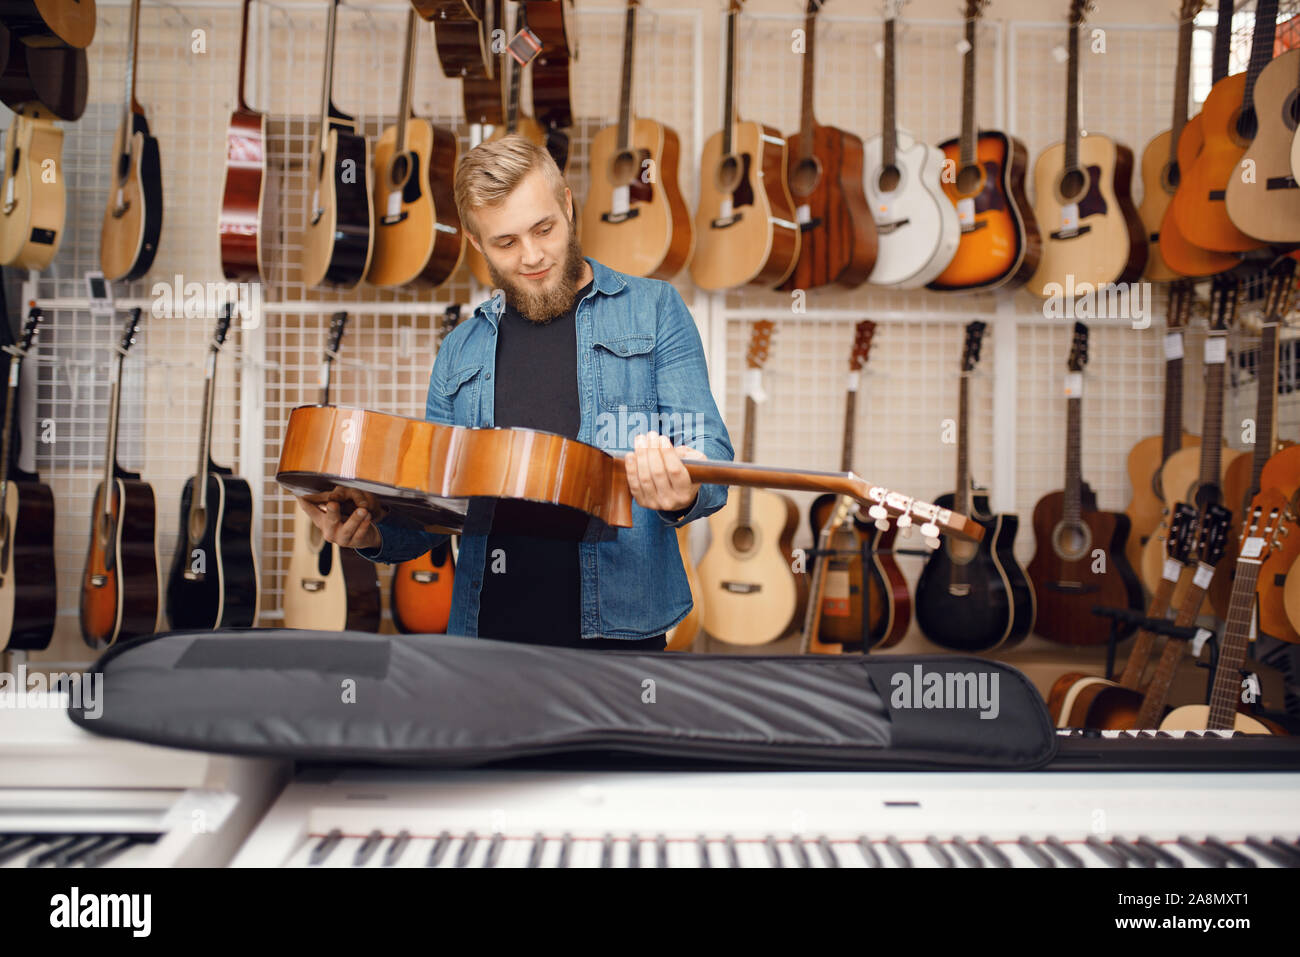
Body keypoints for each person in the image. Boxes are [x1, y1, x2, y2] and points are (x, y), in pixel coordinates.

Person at [295, 134, 733, 650]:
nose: (531, 256)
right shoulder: (459, 350)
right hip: (488, 635)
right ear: (476, 244)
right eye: (505, 242)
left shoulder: (655, 309)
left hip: (621, 636)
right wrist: (371, 534)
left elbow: (712, 458)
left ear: (567, 204)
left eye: (543, 228)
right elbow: (437, 513)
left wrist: (683, 491)